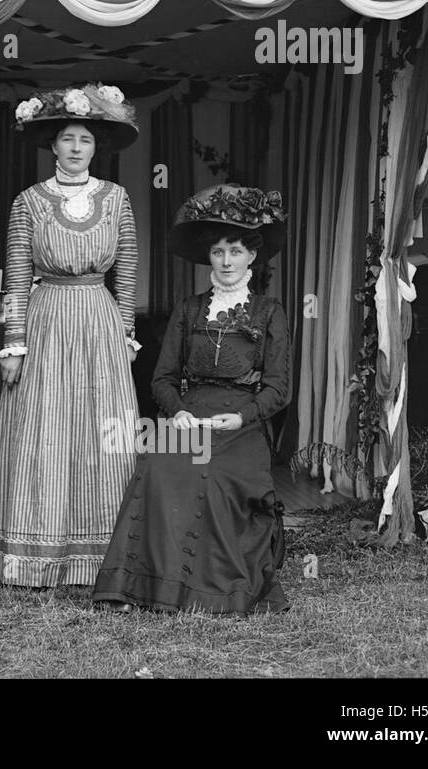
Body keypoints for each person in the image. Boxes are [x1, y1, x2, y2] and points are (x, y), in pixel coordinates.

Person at [92, 184, 291, 614]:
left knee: (214, 478)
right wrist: (177, 412)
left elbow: (279, 388)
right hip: (189, 416)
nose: (226, 261)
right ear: (209, 258)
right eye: (219, 252)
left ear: (251, 256)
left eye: (235, 251)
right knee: (157, 467)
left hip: (242, 424)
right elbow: (162, 378)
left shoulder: (269, 311)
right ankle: (137, 586)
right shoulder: (188, 309)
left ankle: (209, 591)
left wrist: (241, 418)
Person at [0, 84, 141, 587]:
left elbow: (128, 269)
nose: (75, 147)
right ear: (53, 145)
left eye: (85, 139)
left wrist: (127, 332)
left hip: (98, 317)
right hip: (47, 318)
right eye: (67, 138)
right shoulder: (29, 202)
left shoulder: (117, 199)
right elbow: (18, 277)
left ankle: (103, 553)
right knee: (42, 428)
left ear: (97, 147)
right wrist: (15, 341)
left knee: (101, 426)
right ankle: (34, 553)